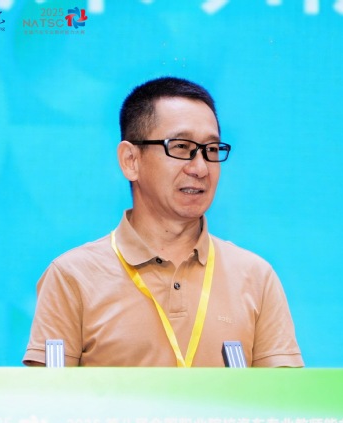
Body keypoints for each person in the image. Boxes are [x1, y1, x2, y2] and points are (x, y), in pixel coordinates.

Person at [23, 77, 303, 367]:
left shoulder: (255, 277)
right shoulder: (72, 277)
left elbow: (283, 394)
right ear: (131, 160)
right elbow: (49, 394)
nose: (200, 168)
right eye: (181, 147)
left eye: (211, 149)